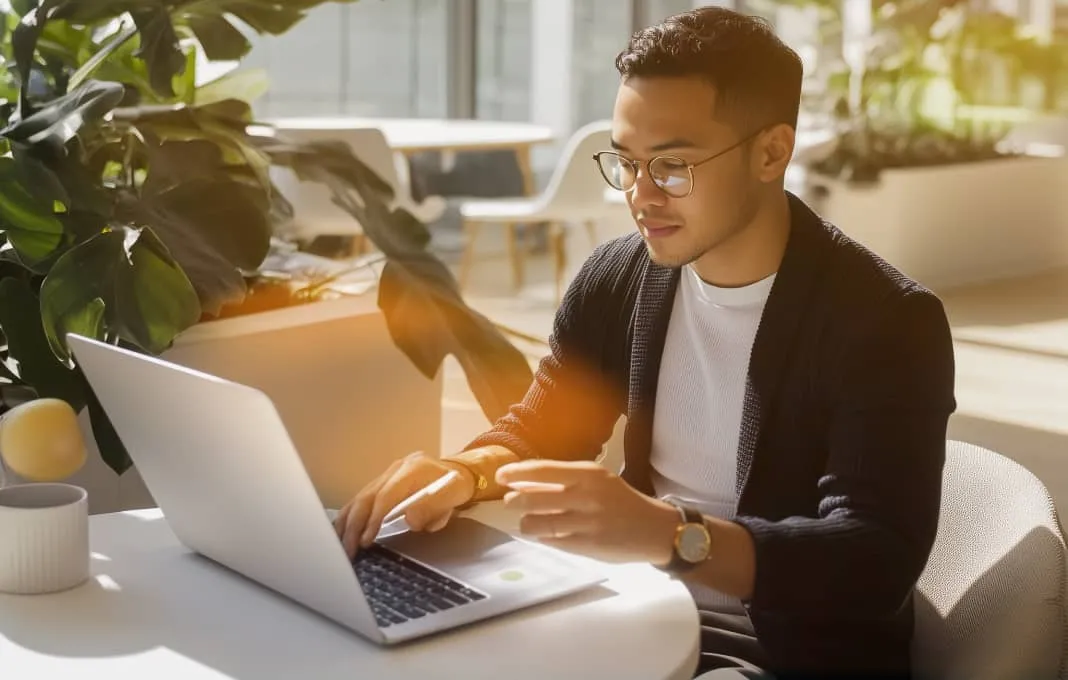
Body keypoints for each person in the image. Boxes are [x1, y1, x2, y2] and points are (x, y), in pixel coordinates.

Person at [334, 6, 956, 678]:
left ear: (772, 152)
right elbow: (547, 425)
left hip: (784, 648)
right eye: (626, 162)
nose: (640, 195)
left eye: (673, 166)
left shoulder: (886, 320)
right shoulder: (617, 275)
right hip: (631, 607)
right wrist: (464, 471)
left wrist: (669, 534)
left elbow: (872, 559)